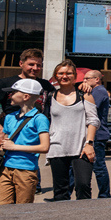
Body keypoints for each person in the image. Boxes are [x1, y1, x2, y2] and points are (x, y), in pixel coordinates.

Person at [0, 48, 55, 192]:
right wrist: (0, 129)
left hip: (32, 138)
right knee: (2, 179)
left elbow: (63, 97)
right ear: (21, 64)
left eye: (38, 65)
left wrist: (85, 86)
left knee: (27, 180)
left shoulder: (45, 85)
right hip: (10, 136)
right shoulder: (5, 83)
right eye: (31, 64)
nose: (35, 68)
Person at [45, 60, 99, 201]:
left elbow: (93, 121)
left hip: (81, 147)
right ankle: (62, 215)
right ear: (56, 76)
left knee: (83, 185)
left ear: (75, 76)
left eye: (69, 73)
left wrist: (89, 143)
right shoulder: (50, 97)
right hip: (57, 147)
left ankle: (83, 213)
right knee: (60, 191)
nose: (65, 76)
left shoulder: (84, 94)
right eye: (61, 73)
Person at [0, 80, 50, 205]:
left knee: (22, 209)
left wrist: (14, 147)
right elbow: (5, 143)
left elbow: (45, 147)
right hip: (5, 169)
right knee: (0, 207)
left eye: (13, 92)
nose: (10, 95)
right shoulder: (9, 117)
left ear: (26, 96)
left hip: (26, 171)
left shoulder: (39, 119)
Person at [83, 70, 111, 197]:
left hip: (97, 135)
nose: (84, 81)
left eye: (87, 78)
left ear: (97, 79)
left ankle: (104, 195)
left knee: (98, 166)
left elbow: (87, 107)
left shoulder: (98, 91)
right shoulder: (95, 91)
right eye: (84, 78)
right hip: (95, 134)